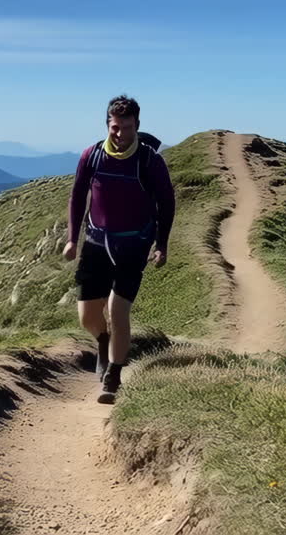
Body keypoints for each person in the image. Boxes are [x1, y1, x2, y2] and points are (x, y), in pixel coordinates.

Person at [63, 94, 175, 404]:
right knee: (87, 315)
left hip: (134, 244)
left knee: (117, 308)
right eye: (115, 127)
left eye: (127, 127)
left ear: (137, 125)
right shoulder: (92, 156)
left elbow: (167, 203)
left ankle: (114, 375)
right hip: (97, 242)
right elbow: (77, 197)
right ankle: (103, 341)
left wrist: (161, 244)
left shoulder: (150, 161)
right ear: (107, 125)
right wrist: (73, 239)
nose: (120, 134)